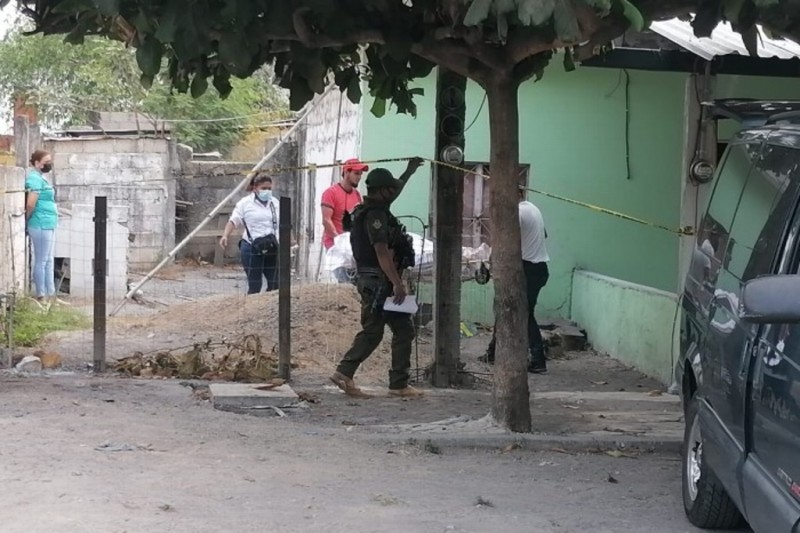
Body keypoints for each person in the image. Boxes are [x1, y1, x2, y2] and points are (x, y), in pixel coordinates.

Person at [330, 158, 425, 398]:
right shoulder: (376, 216)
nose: (394, 192)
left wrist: (410, 171)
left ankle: (392, 382)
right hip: (379, 282)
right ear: (381, 191)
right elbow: (381, 251)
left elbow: (396, 189)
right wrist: (396, 283)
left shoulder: (370, 209)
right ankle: (358, 375)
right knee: (381, 331)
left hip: (372, 280)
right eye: (389, 189)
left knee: (398, 329)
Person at [481, 185, 550, 374]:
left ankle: (538, 360)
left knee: (524, 315)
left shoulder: (517, 212)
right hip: (538, 267)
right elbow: (544, 234)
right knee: (505, 307)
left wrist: (489, 262)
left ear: (516, 195)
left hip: (529, 268)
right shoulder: (532, 208)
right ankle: (493, 352)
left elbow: (503, 240)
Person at [220, 174, 280, 294]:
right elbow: (234, 220)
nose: (267, 191)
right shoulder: (245, 203)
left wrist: (291, 240)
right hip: (251, 247)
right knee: (255, 284)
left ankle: (270, 308)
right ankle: (254, 308)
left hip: (271, 246)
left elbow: (283, 222)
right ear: (255, 188)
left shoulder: (275, 203)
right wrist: (225, 235)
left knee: (275, 283)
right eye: (263, 188)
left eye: (269, 189)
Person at [321, 158, 368, 283]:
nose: (359, 177)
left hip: (352, 245)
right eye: (356, 173)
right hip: (335, 245)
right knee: (345, 283)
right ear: (347, 172)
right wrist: (339, 241)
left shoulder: (357, 195)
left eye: (360, 174)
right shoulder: (330, 193)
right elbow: (326, 220)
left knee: (355, 284)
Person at [25, 149, 58, 303]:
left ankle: (51, 294)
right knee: (42, 260)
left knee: (48, 260)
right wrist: (27, 219)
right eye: (46, 162)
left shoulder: (41, 178)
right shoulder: (34, 178)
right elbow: (31, 203)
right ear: (37, 163)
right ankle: (41, 295)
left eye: (50, 162)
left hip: (48, 223)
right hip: (40, 223)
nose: (49, 165)